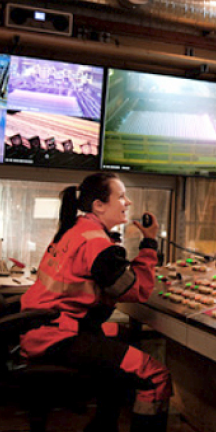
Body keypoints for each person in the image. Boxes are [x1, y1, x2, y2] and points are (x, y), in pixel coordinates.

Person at [20, 172, 172, 432]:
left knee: (121, 338)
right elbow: (137, 290)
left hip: (42, 328)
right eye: (121, 196)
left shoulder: (76, 229)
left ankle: (102, 427)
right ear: (98, 205)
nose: (128, 202)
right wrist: (148, 244)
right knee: (155, 375)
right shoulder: (99, 245)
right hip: (59, 335)